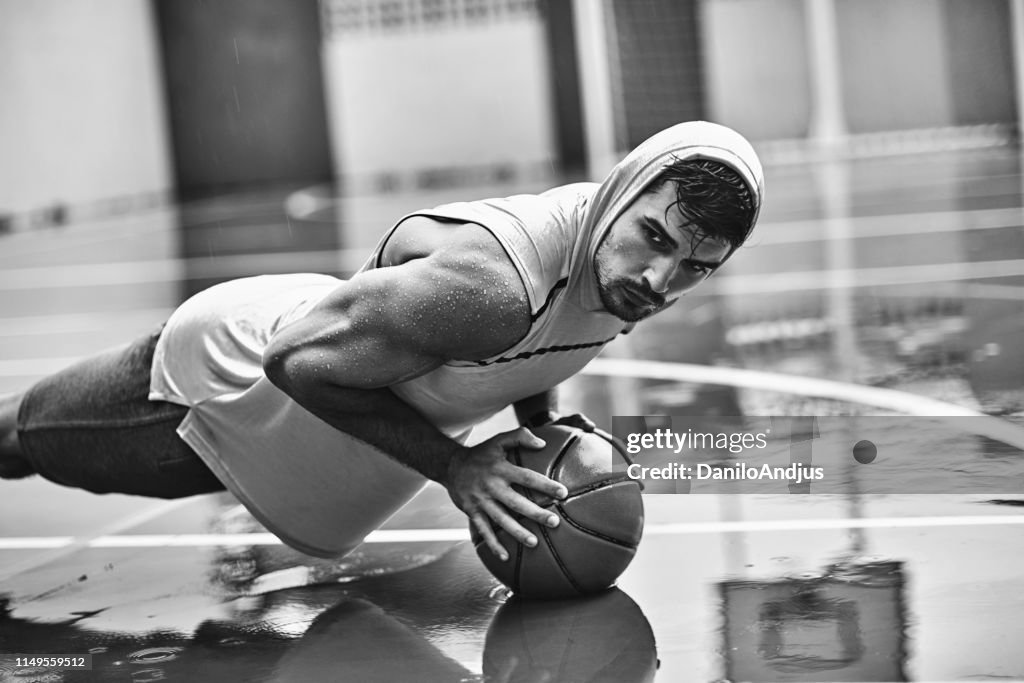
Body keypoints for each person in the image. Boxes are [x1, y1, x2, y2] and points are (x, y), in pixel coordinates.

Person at [0, 121, 763, 561]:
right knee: (24, 439)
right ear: (620, 193)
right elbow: (293, 362)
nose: (661, 279)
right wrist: (457, 467)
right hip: (216, 392)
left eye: (695, 266)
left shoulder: (622, 268)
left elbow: (554, 332)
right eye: (653, 237)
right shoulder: (491, 286)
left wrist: (539, 419)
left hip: (300, 438)